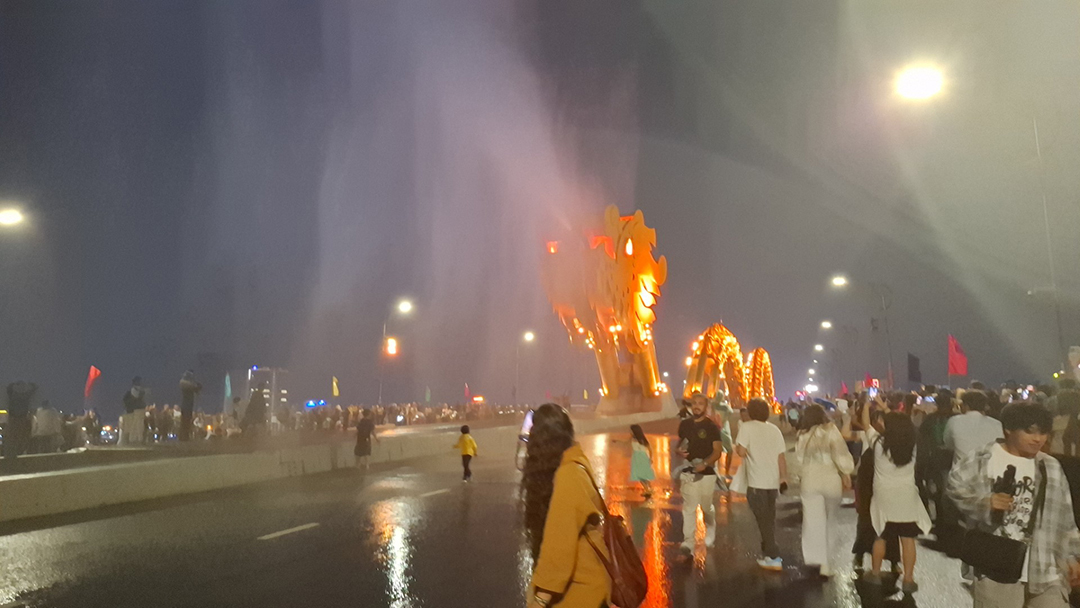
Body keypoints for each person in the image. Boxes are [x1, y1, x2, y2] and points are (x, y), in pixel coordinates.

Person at [948, 403, 1080, 607]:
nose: (1038, 439)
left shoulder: (1049, 465)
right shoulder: (984, 458)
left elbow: (1064, 515)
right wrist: (985, 503)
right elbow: (955, 487)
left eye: (1043, 433)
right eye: (1030, 432)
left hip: (1045, 565)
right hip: (997, 565)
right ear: (1008, 429)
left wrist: (1072, 556)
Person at [522, 404, 609, 608]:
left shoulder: (568, 475)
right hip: (588, 589)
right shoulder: (575, 462)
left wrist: (540, 599)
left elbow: (560, 545)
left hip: (579, 595)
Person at [863, 407, 931, 594]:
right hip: (907, 497)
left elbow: (866, 424)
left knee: (880, 536)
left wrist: (868, 404)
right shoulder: (913, 445)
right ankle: (908, 580)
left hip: (884, 497)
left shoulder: (878, 443)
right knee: (908, 540)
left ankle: (875, 573)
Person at [795, 403, 854, 577]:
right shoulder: (831, 430)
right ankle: (826, 565)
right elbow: (840, 453)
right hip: (830, 479)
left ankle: (815, 557)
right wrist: (846, 472)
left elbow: (799, 460)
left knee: (813, 522)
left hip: (810, 480)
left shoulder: (802, 435)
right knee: (830, 521)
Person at [736, 397, 789, 571]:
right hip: (772, 483)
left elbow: (741, 452)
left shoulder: (747, 427)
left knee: (763, 521)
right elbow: (781, 457)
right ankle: (768, 554)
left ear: (750, 412)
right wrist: (783, 478)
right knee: (768, 519)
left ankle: (774, 556)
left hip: (756, 482)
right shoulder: (774, 430)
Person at [675, 393, 724, 561]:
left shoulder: (711, 427)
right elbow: (681, 442)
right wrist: (678, 450)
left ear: (706, 406)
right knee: (689, 507)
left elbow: (717, 451)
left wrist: (706, 463)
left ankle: (711, 525)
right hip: (688, 471)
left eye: (700, 404)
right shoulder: (684, 424)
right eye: (694, 403)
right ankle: (688, 543)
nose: (696, 406)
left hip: (707, 474)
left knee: (705, 506)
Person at [945, 390, 1004, 464]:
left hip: (962, 471)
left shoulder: (954, 421)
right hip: (990, 470)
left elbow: (948, 444)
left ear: (966, 406)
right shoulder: (997, 424)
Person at [3, 381, 38, 459]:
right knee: (19, 436)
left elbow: (9, 389)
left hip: (13, 417)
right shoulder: (25, 396)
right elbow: (32, 390)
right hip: (21, 417)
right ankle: (18, 451)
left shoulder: (12, 396)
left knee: (12, 436)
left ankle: (11, 453)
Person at [629, 424, 655, 498]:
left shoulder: (641, 439)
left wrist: (651, 458)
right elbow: (626, 443)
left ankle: (648, 489)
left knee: (640, 475)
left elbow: (650, 448)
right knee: (642, 475)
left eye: (631, 430)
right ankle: (649, 489)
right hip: (637, 457)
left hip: (641, 457)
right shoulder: (634, 438)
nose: (630, 432)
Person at [121, 377, 149, 445]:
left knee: (136, 425)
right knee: (137, 425)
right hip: (137, 410)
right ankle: (137, 439)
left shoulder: (132, 392)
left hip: (133, 411)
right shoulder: (140, 392)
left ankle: (135, 439)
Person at [178, 371, 202, 441]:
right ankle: (183, 437)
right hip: (186, 405)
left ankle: (185, 436)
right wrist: (197, 385)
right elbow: (196, 388)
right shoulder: (183, 383)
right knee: (185, 422)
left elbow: (196, 388)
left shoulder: (185, 383)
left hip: (188, 405)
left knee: (187, 421)